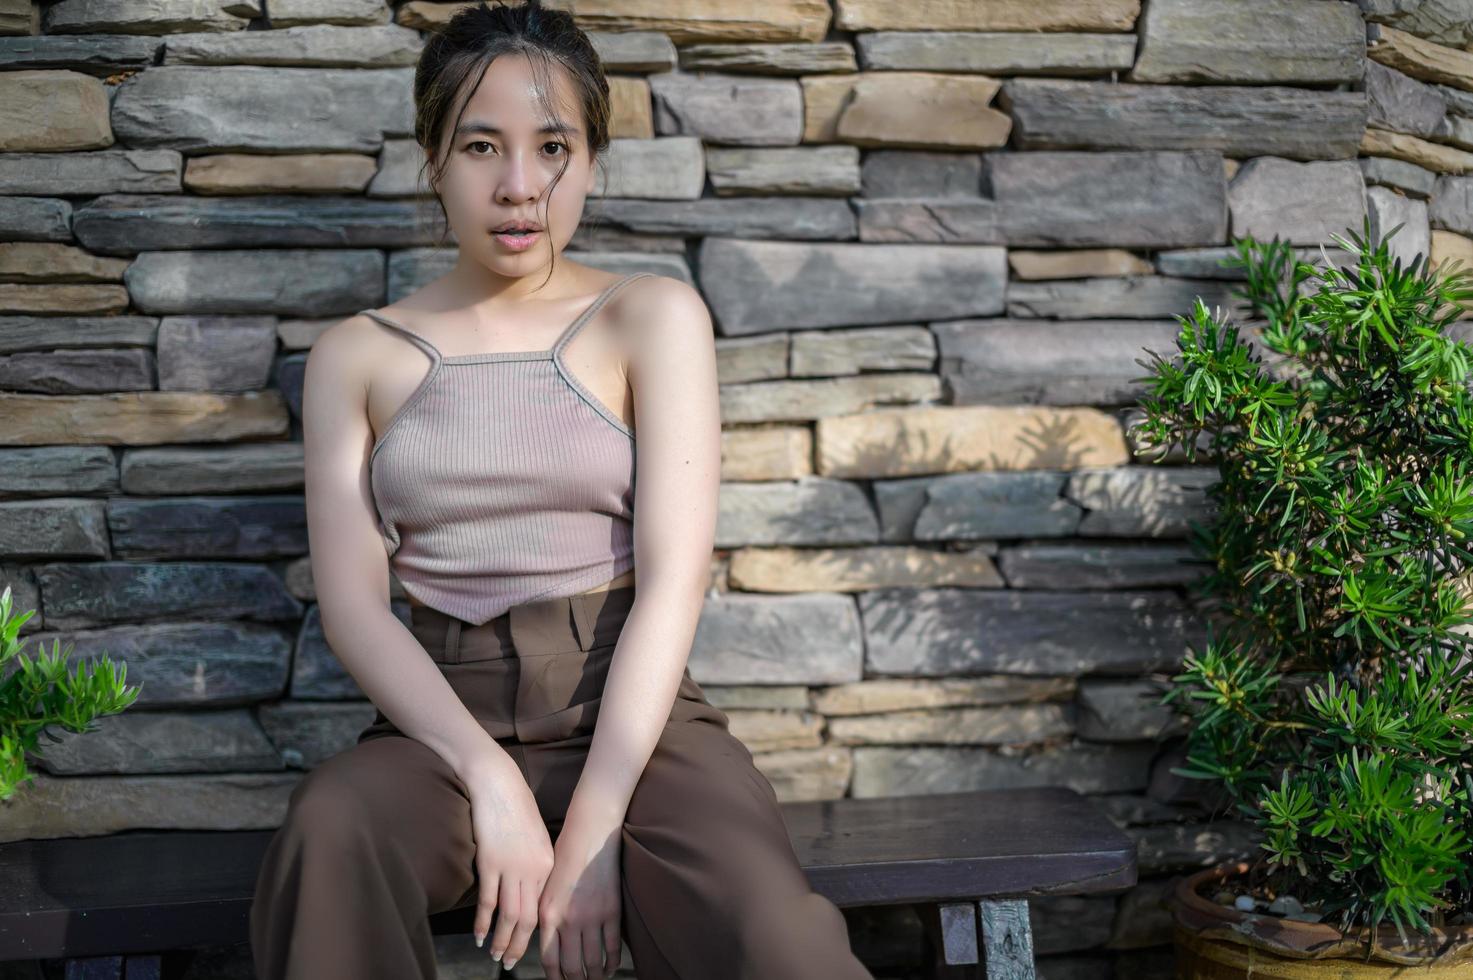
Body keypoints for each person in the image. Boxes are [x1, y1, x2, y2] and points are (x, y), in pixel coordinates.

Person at [248, 2, 877, 979]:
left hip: (636, 716)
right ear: (432, 158)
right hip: (439, 722)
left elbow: (672, 580)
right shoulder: (355, 355)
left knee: (778, 939)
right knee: (329, 831)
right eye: (480, 147)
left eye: (552, 147)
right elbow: (357, 609)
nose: (517, 187)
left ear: (592, 160)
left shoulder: (649, 316)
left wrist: (593, 824)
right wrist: (490, 775)